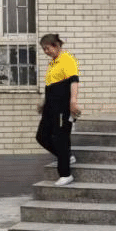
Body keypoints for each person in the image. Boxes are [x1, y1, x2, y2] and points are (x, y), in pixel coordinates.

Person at [36, 33, 81, 186]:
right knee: (41, 136)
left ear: (55, 45)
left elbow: (74, 81)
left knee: (61, 138)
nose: (45, 52)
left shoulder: (67, 59)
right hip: (50, 106)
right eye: (44, 49)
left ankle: (66, 174)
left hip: (62, 106)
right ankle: (66, 156)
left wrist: (73, 102)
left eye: (47, 48)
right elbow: (51, 86)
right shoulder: (52, 63)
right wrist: (44, 103)